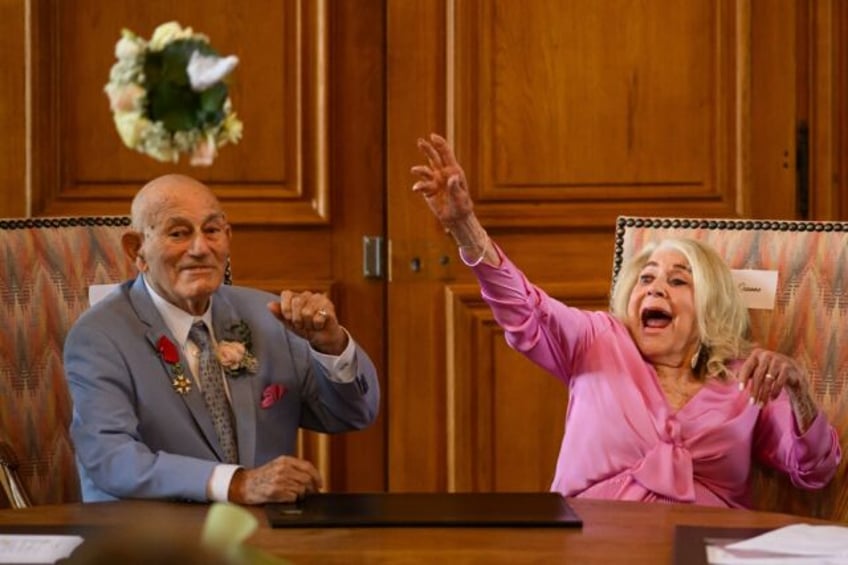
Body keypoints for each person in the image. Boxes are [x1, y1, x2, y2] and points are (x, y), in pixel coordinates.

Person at [411, 133, 840, 508]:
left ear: (710, 306)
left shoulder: (747, 380)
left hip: (704, 550)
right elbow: (525, 308)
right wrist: (465, 226)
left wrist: (799, 389)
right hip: (592, 546)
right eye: (646, 279)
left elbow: (814, 470)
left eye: (678, 280)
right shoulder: (597, 340)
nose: (654, 289)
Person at [64, 174, 380, 504]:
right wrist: (236, 484)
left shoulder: (267, 315)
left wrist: (330, 347)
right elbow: (110, 459)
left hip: (260, 537)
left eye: (212, 230)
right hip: (149, 537)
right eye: (178, 233)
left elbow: (352, 415)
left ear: (227, 238)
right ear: (137, 250)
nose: (200, 248)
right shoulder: (99, 336)